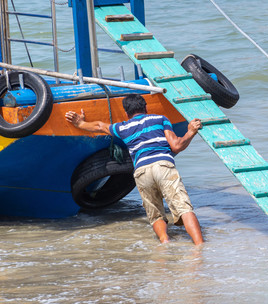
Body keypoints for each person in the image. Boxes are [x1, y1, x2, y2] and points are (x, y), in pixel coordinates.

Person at [65, 94, 204, 245]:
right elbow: (176, 145)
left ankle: (165, 242)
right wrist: (190, 131)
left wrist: (80, 123)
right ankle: (199, 247)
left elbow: (100, 126)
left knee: (156, 215)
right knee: (183, 208)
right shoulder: (160, 119)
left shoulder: (123, 127)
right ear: (146, 108)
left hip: (141, 171)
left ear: (126, 113)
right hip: (163, 166)